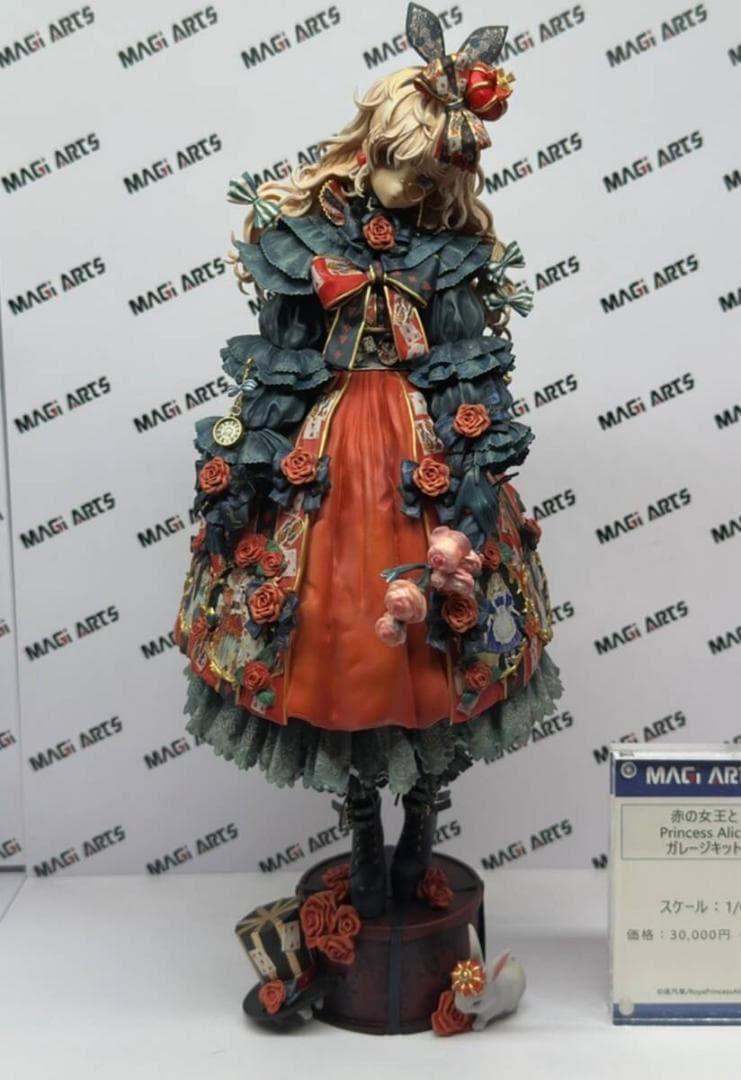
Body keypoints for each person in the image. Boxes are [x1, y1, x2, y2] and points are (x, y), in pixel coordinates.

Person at [174, 3, 563, 919]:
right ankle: (357, 826)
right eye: (398, 165)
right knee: (331, 629)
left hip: (421, 446)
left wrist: (472, 459)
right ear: (369, 145)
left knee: (440, 637)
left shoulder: (451, 252)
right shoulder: (304, 238)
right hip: (327, 448)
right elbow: (280, 359)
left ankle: (421, 821)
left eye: (427, 175)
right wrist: (252, 456)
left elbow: (464, 363)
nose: (407, 188)